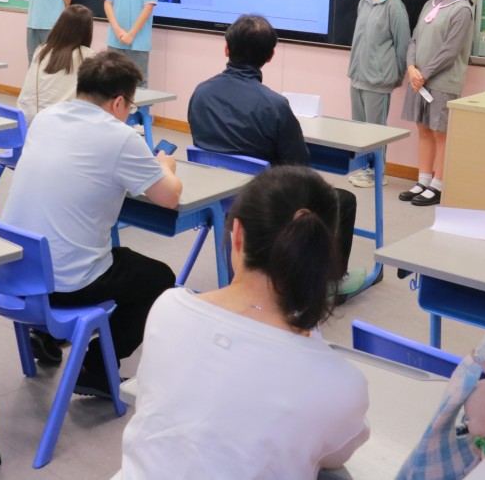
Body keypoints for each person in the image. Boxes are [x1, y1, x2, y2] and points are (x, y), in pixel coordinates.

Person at [116, 167, 370, 479]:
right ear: (323, 257)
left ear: (237, 234)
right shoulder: (340, 384)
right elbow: (335, 456)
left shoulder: (167, 308)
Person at [2, 52, 181, 395]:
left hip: (13, 272)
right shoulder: (121, 137)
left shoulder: (45, 118)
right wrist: (165, 166)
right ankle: (96, 368)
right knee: (159, 278)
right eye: (130, 106)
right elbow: (169, 197)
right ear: (118, 102)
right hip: (63, 283)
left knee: (110, 254)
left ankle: (48, 334)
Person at [187, 14, 364, 296]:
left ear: (226, 49)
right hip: (262, 205)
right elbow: (300, 170)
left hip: (213, 197)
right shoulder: (275, 106)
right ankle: (329, 282)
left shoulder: (200, 93)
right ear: (270, 56)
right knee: (341, 200)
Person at [399, 0, 475, 207]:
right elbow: (414, 39)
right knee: (423, 129)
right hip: (419, 80)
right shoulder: (429, 5)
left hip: (442, 82)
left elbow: (450, 50)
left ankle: (438, 185)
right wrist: (411, 68)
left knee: (440, 132)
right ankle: (423, 180)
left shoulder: (462, 9)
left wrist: (424, 74)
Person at [347, 0, 410, 189]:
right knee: (359, 128)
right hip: (358, 75)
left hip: (379, 79)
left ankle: (377, 173)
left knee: (375, 130)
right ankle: (364, 169)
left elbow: (403, 46)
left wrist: (395, 76)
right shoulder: (364, 2)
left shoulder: (395, 7)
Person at [16, 4, 94, 125]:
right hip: (60, 125)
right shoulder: (87, 56)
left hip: (28, 122)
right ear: (87, 31)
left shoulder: (41, 50)